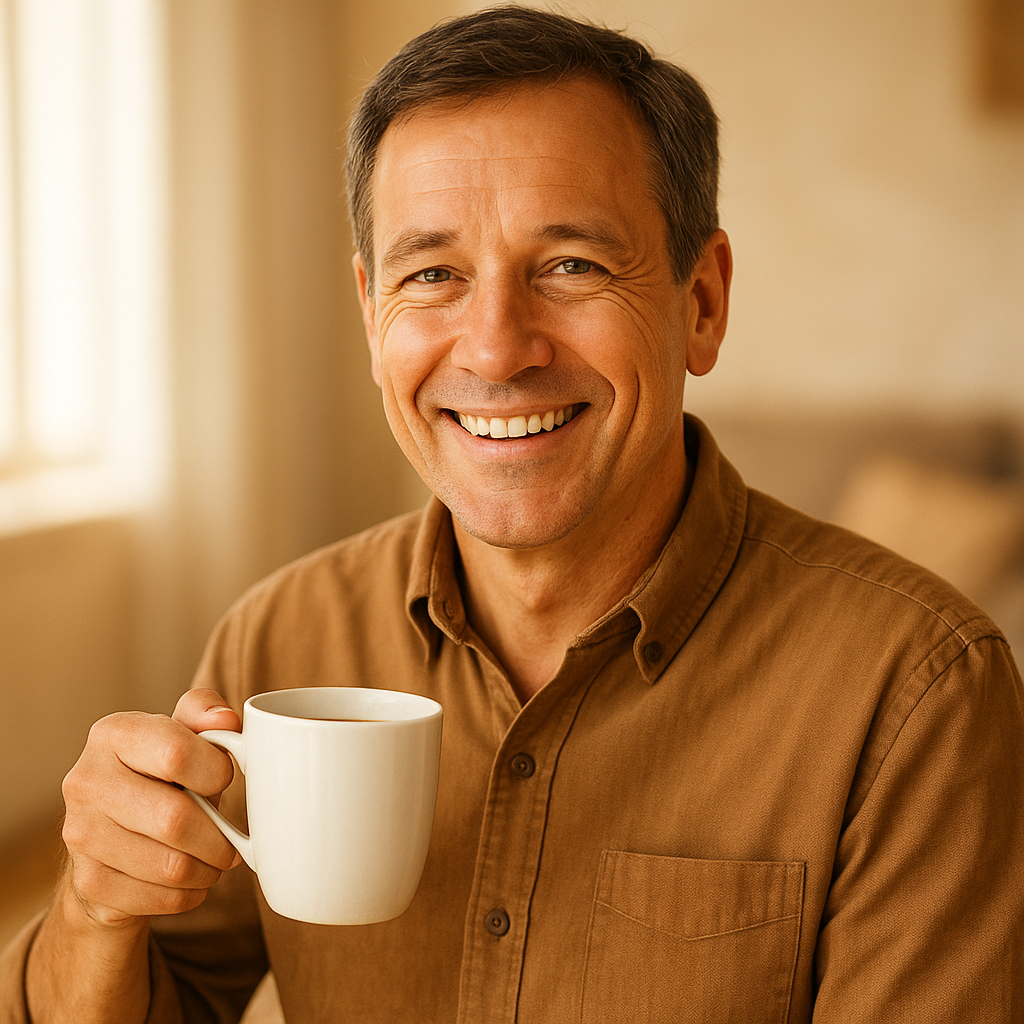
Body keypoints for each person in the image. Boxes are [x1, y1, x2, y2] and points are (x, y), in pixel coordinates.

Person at [3, 6, 1022, 1022]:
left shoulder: (917, 694)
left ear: (700, 301)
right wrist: (96, 910)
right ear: (372, 316)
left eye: (570, 265)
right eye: (432, 275)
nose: (494, 349)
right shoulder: (281, 639)